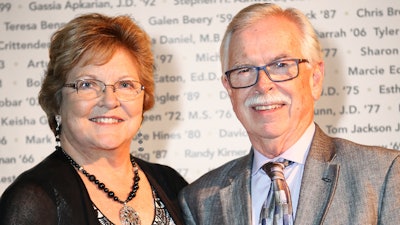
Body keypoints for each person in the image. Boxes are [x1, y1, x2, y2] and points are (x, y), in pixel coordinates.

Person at [179, 3, 400, 225]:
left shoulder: (384, 175)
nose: (263, 85)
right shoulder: (199, 202)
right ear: (228, 88)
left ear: (315, 78)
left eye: (281, 65)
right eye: (244, 70)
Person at [0, 13, 188, 225]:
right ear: (57, 100)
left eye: (125, 85)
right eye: (87, 84)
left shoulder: (171, 184)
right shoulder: (32, 200)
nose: (109, 101)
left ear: (144, 99)